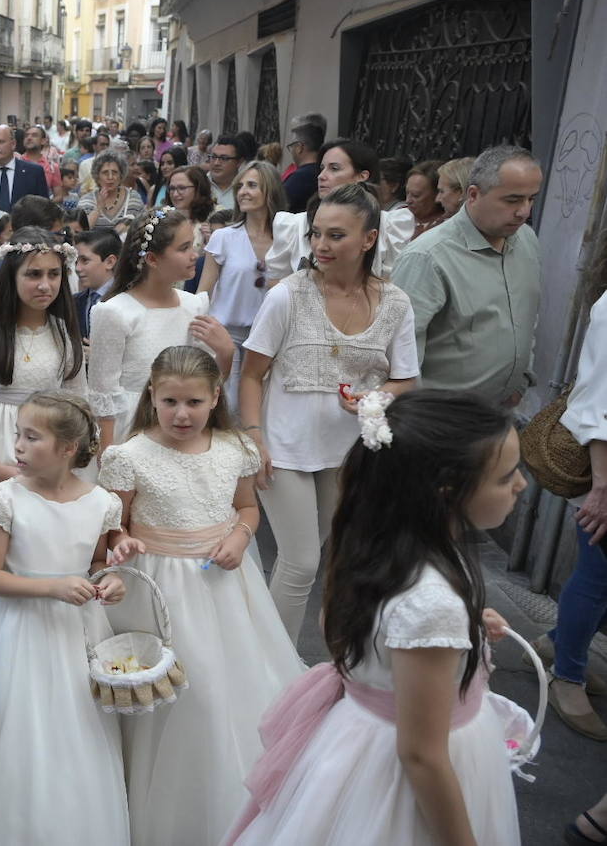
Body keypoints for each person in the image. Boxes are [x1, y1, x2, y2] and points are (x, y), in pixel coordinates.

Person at [225, 391, 530, 846]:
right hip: (407, 772)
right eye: (506, 477)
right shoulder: (432, 599)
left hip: (356, 742)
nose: (521, 484)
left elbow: (357, 630)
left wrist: (462, 625)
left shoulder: (380, 546)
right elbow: (423, 757)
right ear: (447, 491)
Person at [99, 345, 300, 844]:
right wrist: (119, 542)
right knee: (176, 692)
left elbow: (246, 507)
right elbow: (110, 525)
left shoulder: (235, 449)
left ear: (215, 397)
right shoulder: (128, 457)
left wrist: (239, 537)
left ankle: (223, 799)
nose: (181, 414)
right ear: (152, 395)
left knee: (222, 690)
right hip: (159, 591)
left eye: (192, 402)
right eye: (169, 402)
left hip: (222, 585)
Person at [240, 184, 420, 642]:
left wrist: (375, 397)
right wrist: (255, 437)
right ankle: (274, 665)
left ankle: (264, 648)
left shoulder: (395, 303)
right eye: (316, 233)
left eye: (336, 235)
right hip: (285, 446)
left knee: (313, 557)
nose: (321, 245)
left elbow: (406, 380)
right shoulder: (288, 296)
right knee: (302, 562)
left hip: (350, 449)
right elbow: (250, 373)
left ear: (369, 239)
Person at [0, 391, 130, 844]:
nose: (17, 444)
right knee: (13, 733)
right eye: (18, 434)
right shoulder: (4, 498)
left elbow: (98, 564)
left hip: (75, 633)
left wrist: (109, 582)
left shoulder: (101, 503)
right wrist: (52, 587)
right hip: (16, 630)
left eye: (31, 437)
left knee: (75, 730)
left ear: (67, 448)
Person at [0, 230, 85, 520]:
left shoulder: (65, 335)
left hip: (47, 453)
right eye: (33, 275)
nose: (45, 285)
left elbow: (78, 405)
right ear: (12, 276)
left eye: (54, 274)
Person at [391, 144, 543, 406]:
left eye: (531, 199)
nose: (524, 212)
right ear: (473, 194)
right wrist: (422, 418)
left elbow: (526, 314)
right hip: (441, 421)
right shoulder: (427, 257)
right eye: (513, 200)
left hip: (501, 412)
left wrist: (520, 380)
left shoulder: (526, 240)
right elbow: (400, 352)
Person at [88, 209, 234, 446]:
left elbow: (206, 386)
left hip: (182, 425)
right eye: (183, 248)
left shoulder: (193, 305)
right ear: (153, 259)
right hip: (131, 429)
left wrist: (226, 353)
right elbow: (103, 392)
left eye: (193, 246)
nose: (193, 255)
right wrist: (107, 450)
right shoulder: (115, 312)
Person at [536, 285, 607, 740]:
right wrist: (602, 485)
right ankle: (568, 676)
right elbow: (599, 405)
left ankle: (562, 645)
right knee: (598, 573)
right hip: (604, 472)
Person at [265, 138, 415, 283]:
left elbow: (394, 283)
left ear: (362, 176)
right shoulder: (295, 224)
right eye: (322, 168)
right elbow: (275, 280)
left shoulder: (389, 227)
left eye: (334, 168)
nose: (321, 176)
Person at [199, 160, 287, 406]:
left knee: (262, 405)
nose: (243, 192)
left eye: (252, 185)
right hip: (226, 335)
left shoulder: (287, 240)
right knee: (228, 403)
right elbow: (203, 293)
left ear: (270, 191)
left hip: (269, 336)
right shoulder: (224, 237)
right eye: (241, 186)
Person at [78, 151, 145, 231]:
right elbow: (80, 232)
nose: (110, 177)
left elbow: (143, 227)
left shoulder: (133, 198)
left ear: (121, 176)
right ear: (97, 177)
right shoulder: (86, 201)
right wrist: (98, 209)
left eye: (115, 172)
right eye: (105, 173)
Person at [282, 121, 323, 212]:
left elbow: (280, 206)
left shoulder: (298, 178)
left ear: (299, 147)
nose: (291, 151)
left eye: (291, 146)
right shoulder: (324, 173)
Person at [406, 158, 446, 237]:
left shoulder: (445, 229)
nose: (408, 200)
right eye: (407, 193)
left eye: (415, 195)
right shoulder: (397, 217)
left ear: (437, 194)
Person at [207, 134, 244, 211]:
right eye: (213, 157)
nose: (216, 163)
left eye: (224, 158)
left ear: (239, 162)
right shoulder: (198, 185)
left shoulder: (244, 189)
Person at [22, 124, 62, 192]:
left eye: (34, 135)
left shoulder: (52, 167)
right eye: (26, 135)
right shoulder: (16, 162)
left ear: (43, 141)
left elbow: (58, 196)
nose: (29, 138)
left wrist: (44, 202)